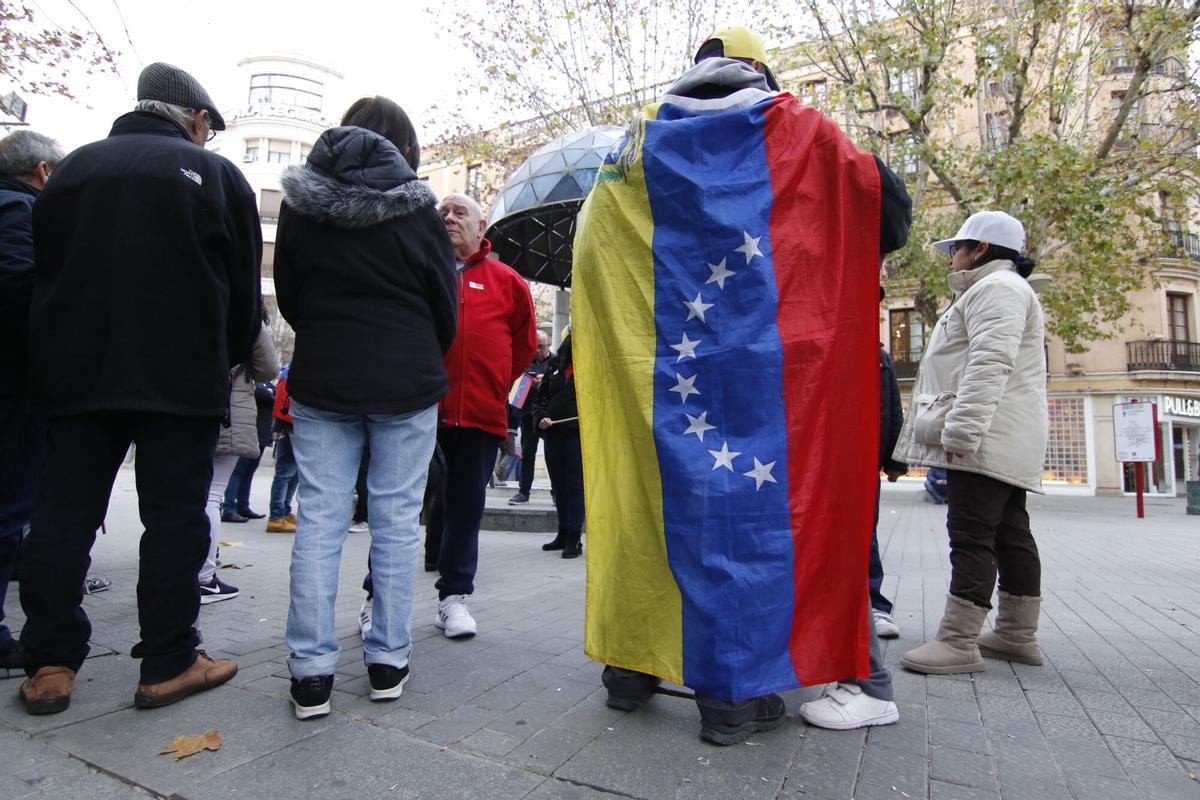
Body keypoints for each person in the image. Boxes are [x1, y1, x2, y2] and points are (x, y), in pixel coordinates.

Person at [573, 26, 911, 745]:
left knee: (650, 509)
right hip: (781, 385)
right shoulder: (808, 137)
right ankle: (735, 692)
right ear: (762, 74)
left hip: (662, 381)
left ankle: (631, 668)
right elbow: (889, 212)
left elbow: (592, 257)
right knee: (774, 526)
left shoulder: (630, 154)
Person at [18, 62, 259, 714]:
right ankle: (168, 661)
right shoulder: (215, 176)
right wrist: (225, 357)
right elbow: (242, 296)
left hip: (74, 373)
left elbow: (44, 270)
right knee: (175, 518)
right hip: (177, 375)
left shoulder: (69, 172)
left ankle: (49, 661)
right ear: (197, 120)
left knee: (62, 514)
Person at [275, 95, 457, 720]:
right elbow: (444, 302)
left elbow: (292, 296)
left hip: (324, 376)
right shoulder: (418, 211)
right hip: (406, 376)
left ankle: (310, 674)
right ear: (403, 149)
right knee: (398, 522)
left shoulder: (302, 209)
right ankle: (386, 660)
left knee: (320, 521)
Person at [894, 210, 1047, 675]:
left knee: (971, 534)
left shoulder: (995, 289)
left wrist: (960, 432)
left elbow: (988, 364)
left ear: (979, 249)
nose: (951, 259)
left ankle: (959, 643)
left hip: (986, 438)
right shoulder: (1004, 289)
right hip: (1005, 435)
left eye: (956, 249)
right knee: (1010, 533)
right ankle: (1017, 635)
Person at [429, 193, 536, 639]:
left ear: (481, 226)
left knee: (466, 508)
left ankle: (453, 599)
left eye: (459, 212)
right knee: (395, 507)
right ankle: (377, 597)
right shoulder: (420, 270)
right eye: (443, 213)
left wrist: (488, 381)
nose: (449, 218)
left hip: (478, 414)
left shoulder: (508, 281)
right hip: (417, 412)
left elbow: (523, 347)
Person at [0, 130, 64, 671]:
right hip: (14, 385)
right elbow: (22, 291)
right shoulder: (24, 215)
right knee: (8, 505)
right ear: (44, 171)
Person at [200, 319, 279, 604]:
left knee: (181, 495)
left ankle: (176, 574)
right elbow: (268, 368)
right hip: (227, 408)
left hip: (180, 402)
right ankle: (204, 577)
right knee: (210, 495)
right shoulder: (242, 309)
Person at [531, 332, 583, 558]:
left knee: (575, 486)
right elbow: (539, 399)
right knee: (559, 486)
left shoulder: (590, 368)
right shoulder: (554, 367)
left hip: (576, 436)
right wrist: (540, 416)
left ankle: (574, 536)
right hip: (554, 434)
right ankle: (562, 532)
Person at [871, 338, 908, 639]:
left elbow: (893, 405)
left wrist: (896, 459)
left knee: (864, 533)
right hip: (827, 456)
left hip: (864, 459)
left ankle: (874, 604)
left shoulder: (879, 354)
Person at [221, 379, 276, 522]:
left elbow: (272, 395)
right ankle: (229, 508)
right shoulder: (247, 378)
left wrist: (270, 394)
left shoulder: (265, 381)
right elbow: (264, 396)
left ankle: (243, 506)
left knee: (249, 472)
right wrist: (270, 394)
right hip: (248, 432)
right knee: (238, 471)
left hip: (262, 433)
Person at [509, 331, 552, 504]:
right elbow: (515, 392)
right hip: (528, 415)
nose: (537, 351)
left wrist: (546, 382)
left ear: (548, 345)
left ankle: (556, 492)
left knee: (552, 455)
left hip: (548, 416)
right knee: (527, 453)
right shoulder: (525, 362)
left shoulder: (556, 362)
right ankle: (523, 491)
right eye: (534, 347)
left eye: (540, 347)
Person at [266, 365, 299, 533]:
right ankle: (277, 515)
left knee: (290, 472)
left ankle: (283, 512)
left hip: (287, 423)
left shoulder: (290, 369)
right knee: (286, 472)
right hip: (292, 423)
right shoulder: (294, 371)